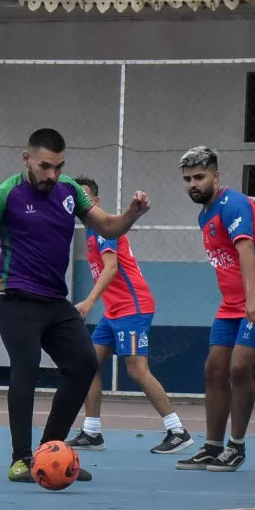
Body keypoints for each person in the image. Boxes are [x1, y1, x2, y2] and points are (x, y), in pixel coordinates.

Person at [0, 128, 150, 483]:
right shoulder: (8, 193)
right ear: (27, 159)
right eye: (46, 166)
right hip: (13, 297)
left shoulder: (70, 193)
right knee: (27, 367)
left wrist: (133, 213)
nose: (52, 175)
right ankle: (20, 458)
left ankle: (50, 454)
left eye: (59, 167)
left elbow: (109, 227)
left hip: (53, 300)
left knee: (82, 364)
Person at [175, 146, 255, 473]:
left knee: (239, 368)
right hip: (232, 304)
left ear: (216, 175)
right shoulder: (204, 215)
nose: (193, 184)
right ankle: (212, 446)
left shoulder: (233, 203)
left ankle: (236, 446)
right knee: (214, 368)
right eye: (188, 179)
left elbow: (245, 248)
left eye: (199, 177)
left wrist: (253, 297)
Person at [65, 176, 193, 455]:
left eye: (84, 197)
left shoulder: (103, 229)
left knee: (136, 370)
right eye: (74, 198)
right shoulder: (90, 232)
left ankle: (177, 430)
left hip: (132, 309)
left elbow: (110, 268)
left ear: (95, 202)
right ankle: (92, 431)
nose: (79, 203)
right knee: (87, 365)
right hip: (114, 312)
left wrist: (88, 300)